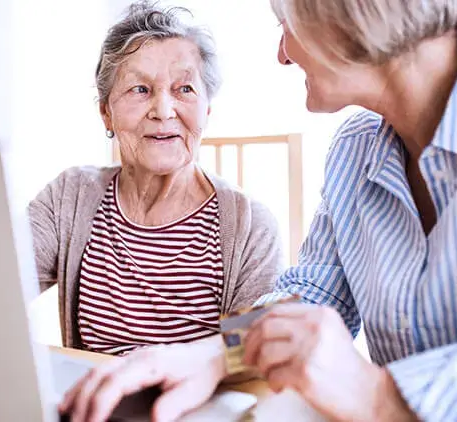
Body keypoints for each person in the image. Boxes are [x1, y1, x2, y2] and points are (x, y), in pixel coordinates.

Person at [59, 0, 457, 420]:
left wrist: (381, 397)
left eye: (285, 21)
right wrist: (211, 354)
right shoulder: (355, 149)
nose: (283, 53)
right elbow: (310, 295)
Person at [28, 2, 285, 356]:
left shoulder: (251, 226)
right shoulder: (69, 197)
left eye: (184, 90)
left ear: (206, 110)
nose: (163, 111)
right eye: (140, 89)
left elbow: (253, 357)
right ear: (106, 112)